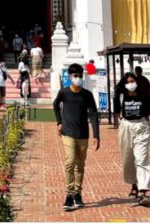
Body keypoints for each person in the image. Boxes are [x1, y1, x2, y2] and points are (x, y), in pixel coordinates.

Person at [53, 63, 100, 211]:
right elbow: (55, 105)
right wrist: (59, 122)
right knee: (70, 161)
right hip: (68, 133)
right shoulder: (64, 92)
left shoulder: (87, 95)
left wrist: (96, 135)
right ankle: (69, 194)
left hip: (83, 134)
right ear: (70, 77)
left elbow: (93, 114)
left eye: (80, 75)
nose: (78, 78)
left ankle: (77, 193)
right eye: (75, 76)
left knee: (80, 165)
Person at [117, 72, 150, 206]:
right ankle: (134, 184)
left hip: (141, 126)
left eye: (133, 81)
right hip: (126, 125)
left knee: (141, 158)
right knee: (128, 158)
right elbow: (117, 111)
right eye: (128, 82)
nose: (131, 84)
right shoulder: (121, 96)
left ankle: (143, 191)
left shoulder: (143, 95)